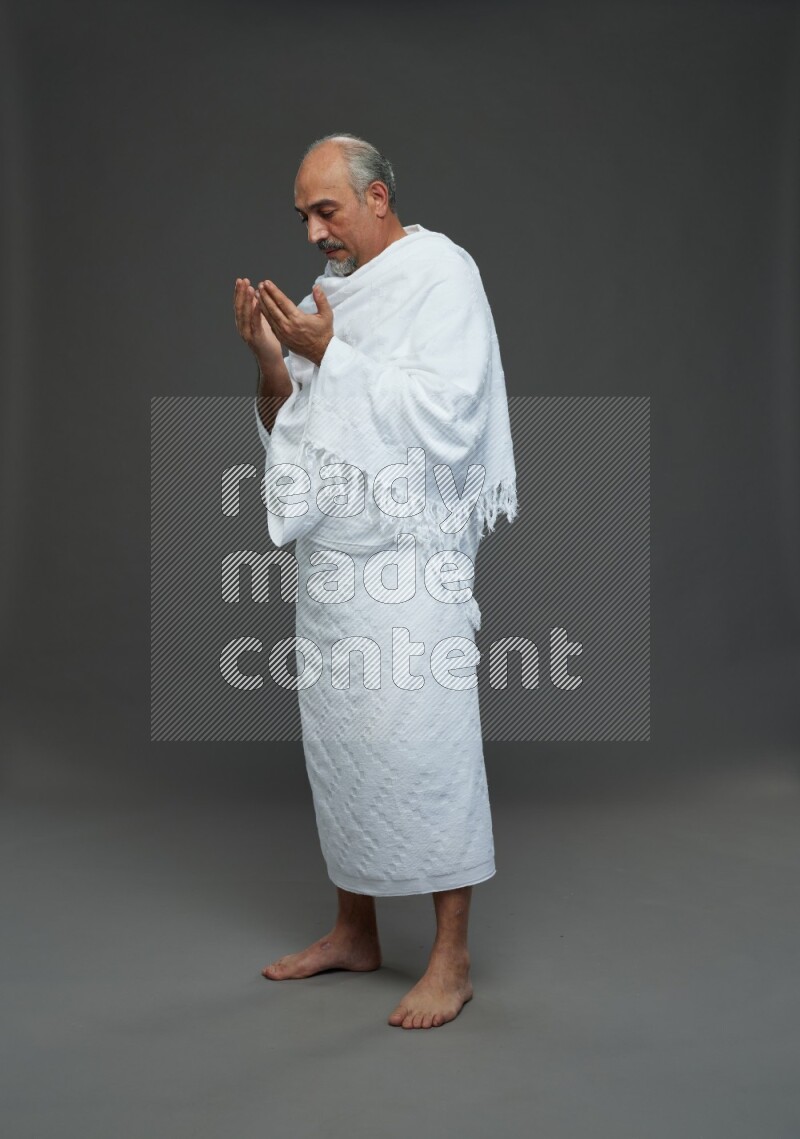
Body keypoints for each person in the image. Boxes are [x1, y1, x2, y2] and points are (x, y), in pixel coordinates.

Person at [233, 133, 517, 1029]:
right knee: (345, 749)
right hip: (335, 569)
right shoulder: (334, 301)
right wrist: (276, 363)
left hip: (411, 561)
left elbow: (449, 412)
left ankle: (452, 957)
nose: (316, 229)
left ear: (380, 197)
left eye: (329, 209)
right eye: (305, 215)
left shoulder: (442, 277)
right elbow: (307, 428)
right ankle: (355, 930)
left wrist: (334, 352)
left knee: (425, 748)